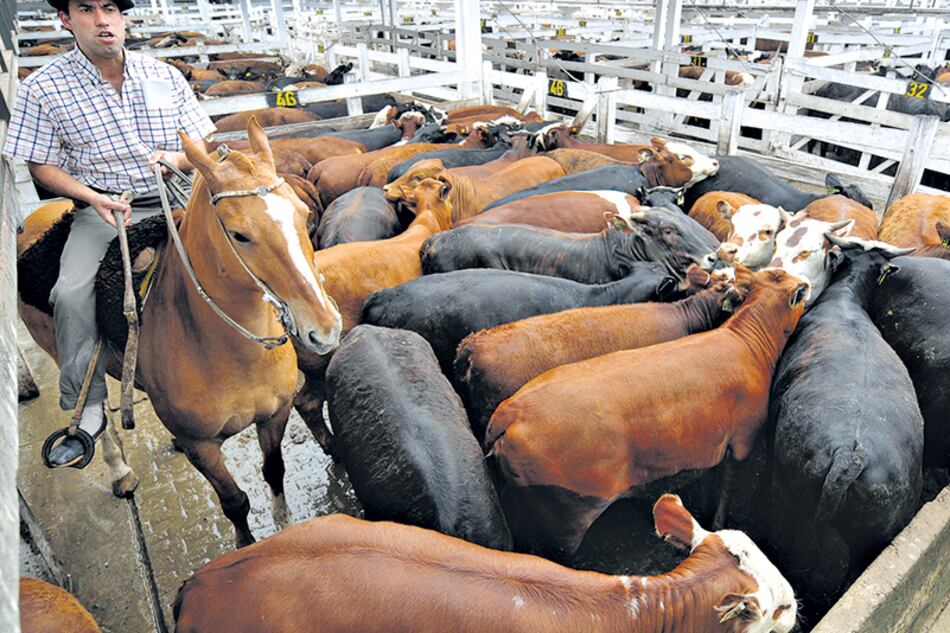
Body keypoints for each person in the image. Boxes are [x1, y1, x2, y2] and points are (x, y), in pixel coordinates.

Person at [4, 0, 216, 467]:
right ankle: (89, 407)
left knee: (256, 251)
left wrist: (177, 159)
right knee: (71, 293)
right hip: (105, 210)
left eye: (110, 8)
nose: (103, 20)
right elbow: (40, 163)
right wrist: (89, 196)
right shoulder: (43, 88)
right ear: (66, 19)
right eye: (87, 9)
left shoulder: (163, 74)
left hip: (177, 198)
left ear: (122, 16)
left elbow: (198, 142)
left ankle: (290, 350)